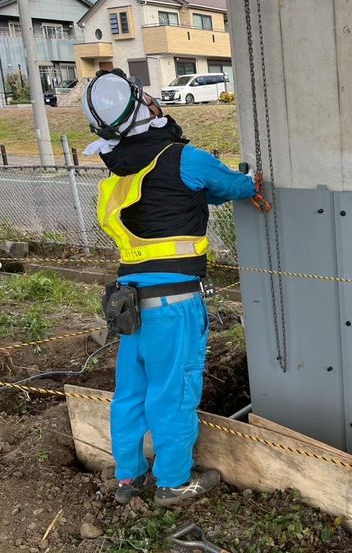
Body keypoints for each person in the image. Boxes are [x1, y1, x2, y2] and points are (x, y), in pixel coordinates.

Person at [82, 68, 261, 506]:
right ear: (143, 108)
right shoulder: (182, 158)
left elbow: (179, 197)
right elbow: (233, 186)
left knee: (130, 394)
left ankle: (128, 478)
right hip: (174, 305)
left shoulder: (119, 174)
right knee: (174, 394)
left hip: (129, 306)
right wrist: (247, 183)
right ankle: (173, 482)